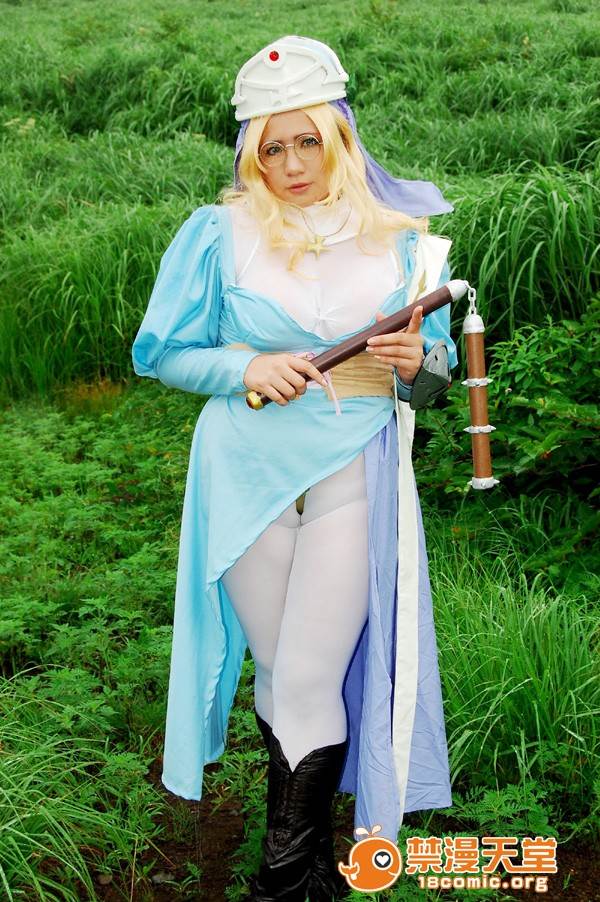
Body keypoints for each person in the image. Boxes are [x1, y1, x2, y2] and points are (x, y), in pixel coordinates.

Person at [132, 35, 457, 902]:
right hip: (244, 475)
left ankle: (278, 886)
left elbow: (435, 378)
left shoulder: (404, 244)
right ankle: (309, 875)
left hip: (353, 469)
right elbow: (161, 352)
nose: (291, 165)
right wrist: (242, 365)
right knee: (281, 673)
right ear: (251, 152)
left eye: (307, 141)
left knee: (310, 674)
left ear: (340, 134)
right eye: (270, 148)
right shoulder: (218, 234)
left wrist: (413, 364)